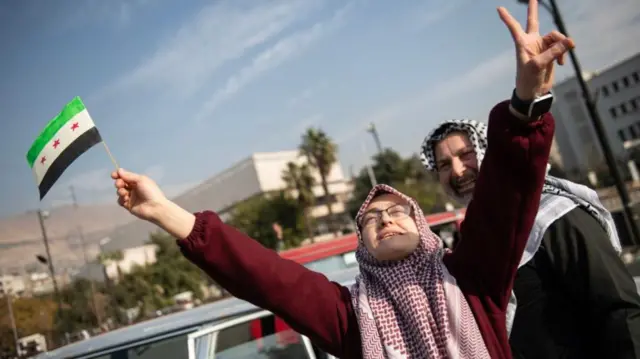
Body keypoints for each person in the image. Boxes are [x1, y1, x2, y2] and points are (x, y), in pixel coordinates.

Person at [112, 1, 569, 357]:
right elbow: (265, 277)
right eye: (372, 219)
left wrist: (528, 99)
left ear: (422, 226)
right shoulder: (350, 315)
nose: (386, 220)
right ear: (361, 247)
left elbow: (504, 199)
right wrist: (163, 212)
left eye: (397, 212)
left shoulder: (471, 278)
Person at [420, 30, 640, 359]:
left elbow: (620, 311)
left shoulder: (554, 213)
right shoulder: (472, 244)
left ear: (487, 151)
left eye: (465, 154)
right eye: (444, 165)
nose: (458, 170)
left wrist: (527, 99)